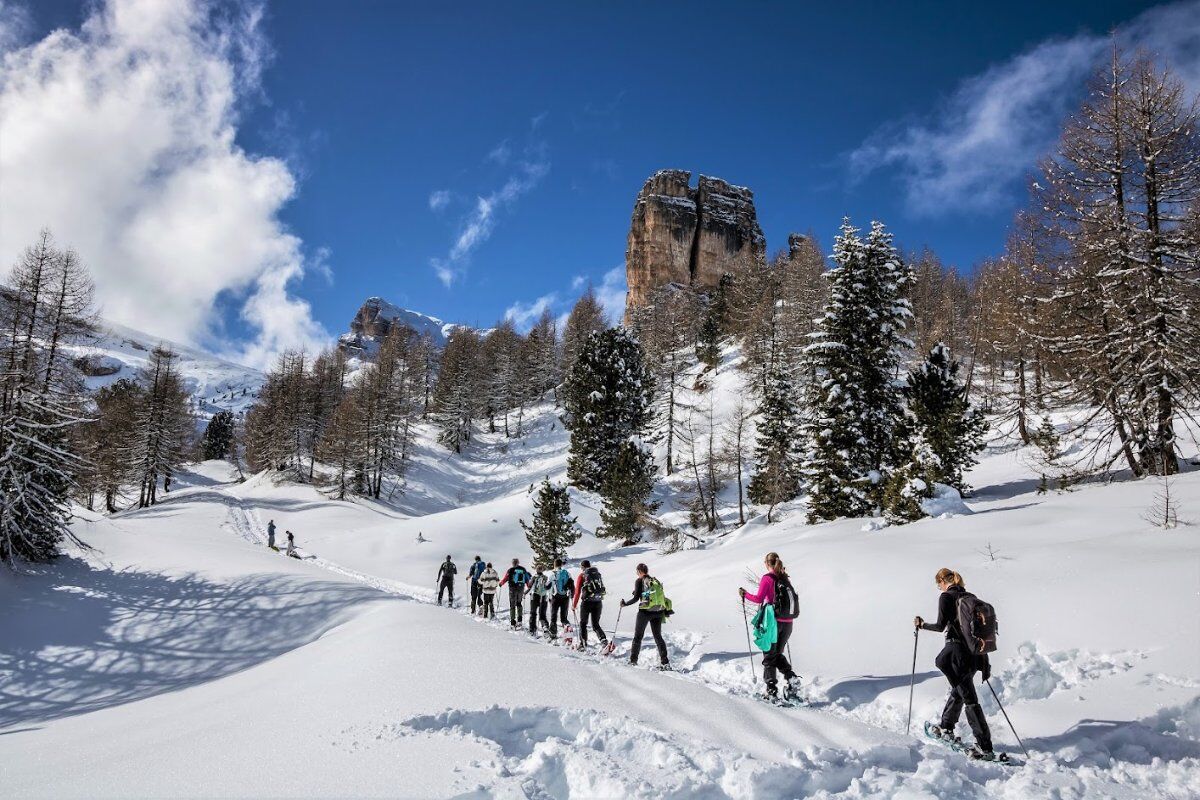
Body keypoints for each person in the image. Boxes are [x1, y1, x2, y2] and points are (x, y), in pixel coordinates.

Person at [915, 568, 994, 758]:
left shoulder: (946, 597)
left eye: (938, 584)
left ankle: (985, 747)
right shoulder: (970, 596)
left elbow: (941, 626)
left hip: (956, 652)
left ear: (942, 581)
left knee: (969, 698)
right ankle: (946, 727)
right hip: (975, 655)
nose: (939, 588)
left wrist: (922, 625)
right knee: (960, 689)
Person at [739, 552, 800, 700]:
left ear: (767, 563)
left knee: (769, 656)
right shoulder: (784, 577)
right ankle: (791, 678)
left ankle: (771, 691)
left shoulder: (768, 578)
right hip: (788, 623)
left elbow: (759, 598)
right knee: (776, 654)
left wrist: (745, 594)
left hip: (773, 622)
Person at [620, 563, 671, 668]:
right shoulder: (654, 580)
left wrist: (625, 604)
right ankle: (665, 663)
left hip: (645, 612)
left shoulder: (639, 581)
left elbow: (635, 599)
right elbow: (648, 594)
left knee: (638, 637)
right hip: (658, 611)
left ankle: (633, 661)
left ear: (639, 571)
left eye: (637, 572)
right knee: (658, 637)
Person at [572, 559, 608, 649]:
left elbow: (577, 592)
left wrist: (574, 605)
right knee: (595, 624)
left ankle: (583, 644)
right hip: (598, 602)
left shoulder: (582, 575)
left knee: (583, 623)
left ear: (582, 567)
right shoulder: (597, 574)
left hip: (587, 603)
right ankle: (604, 640)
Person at [498, 558, 530, 628]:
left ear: (513, 563)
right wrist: (528, 586)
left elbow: (505, 578)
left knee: (512, 604)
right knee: (519, 603)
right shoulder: (523, 569)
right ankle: (520, 620)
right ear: (518, 562)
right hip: (520, 588)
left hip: (512, 589)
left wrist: (501, 584)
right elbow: (527, 579)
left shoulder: (510, 570)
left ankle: (513, 622)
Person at [548, 559, 572, 640]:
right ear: (561, 565)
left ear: (554, 565)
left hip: (555, 597)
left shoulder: (553, 574)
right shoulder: (567, 573)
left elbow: (547, 585)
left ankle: (553, 635)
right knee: (564, 618)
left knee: (553, 617)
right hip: (565, 597)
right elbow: (571, 584)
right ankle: (568, 631)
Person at [528, 567, 552, 635]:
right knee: (542, 614)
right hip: (544, 597)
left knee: (533, 613)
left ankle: (532, 629)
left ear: (536, 570)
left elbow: (529, 586)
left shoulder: (534, 577)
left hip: (535, 596)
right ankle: (545, 627)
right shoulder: (546, 577)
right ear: (542, 570)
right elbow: (548, 587)